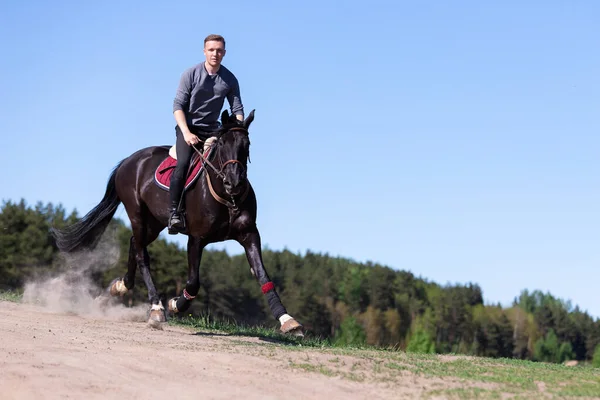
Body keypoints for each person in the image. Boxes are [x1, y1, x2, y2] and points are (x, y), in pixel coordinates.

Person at [168, 34, 244, 234]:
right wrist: (186, 133)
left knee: (228, 162)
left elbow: (237, 109)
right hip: (188, 128)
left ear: (224, 53)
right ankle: (174, 212)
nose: (215, 54)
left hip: (213, 129)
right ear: (204, 51)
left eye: (219, 50)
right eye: (211, 50)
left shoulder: (229, 79)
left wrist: (237, 132)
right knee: (183, 164)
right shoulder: (190, 74)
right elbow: (177, 106)